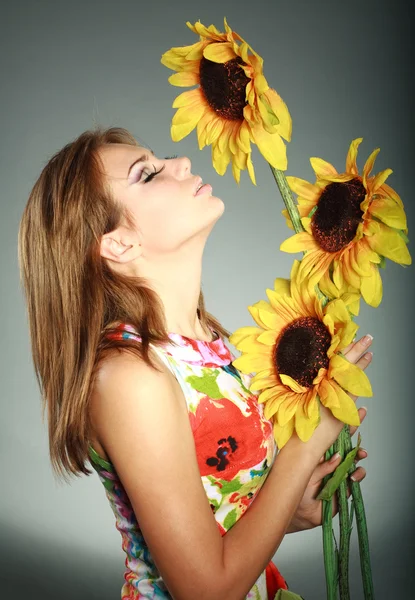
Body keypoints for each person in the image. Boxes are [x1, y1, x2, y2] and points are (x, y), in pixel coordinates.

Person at [18, 126, 371, 600]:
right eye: (147, 174)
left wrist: (286, 511)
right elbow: (205, 590)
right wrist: (304, 449)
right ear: (119, 244)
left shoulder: (212, 344)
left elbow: (209, 528)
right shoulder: (130, 375)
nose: (180, 162)